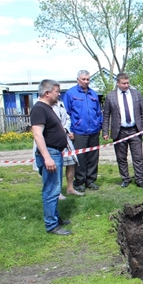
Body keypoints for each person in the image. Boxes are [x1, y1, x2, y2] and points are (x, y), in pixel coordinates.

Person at [31, 79, 72, 236]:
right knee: (50, 190)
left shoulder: (48, 108)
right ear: (47, 93)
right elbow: (37, 134)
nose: (59, 94)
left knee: (55, 189)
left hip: (56, 153)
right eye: (57, 91)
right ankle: (51, 225)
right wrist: (47, 157)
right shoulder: (39, 109)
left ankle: (55, 218)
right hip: (50, 153)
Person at [102, 73, 143, 188]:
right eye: (123, 83)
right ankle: (125, 179)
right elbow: (106, 115)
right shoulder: (110, 96)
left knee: (138, 157)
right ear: (118, 83)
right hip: (119, 131)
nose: (126, 85)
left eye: (128, 83)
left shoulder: (136, 94)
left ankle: (139, 179)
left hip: (135, 130)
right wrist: (105, 132)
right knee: (121, 157)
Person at [63, 70, 103, 192]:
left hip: (94, 131)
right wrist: (69, 131)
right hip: (79, 131)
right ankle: (79, 181)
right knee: (80, 158)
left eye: (87, 79)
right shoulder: (71, 94)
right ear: (78, 80)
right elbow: (66, 114)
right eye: (83, 79)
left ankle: (90, 181)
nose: (86, 81)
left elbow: (98, 112)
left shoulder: (93, 94)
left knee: (93, 157)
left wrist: (99, 125)